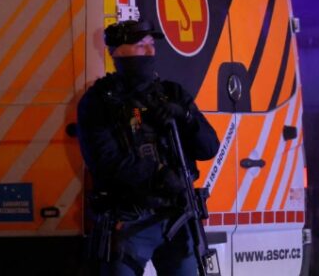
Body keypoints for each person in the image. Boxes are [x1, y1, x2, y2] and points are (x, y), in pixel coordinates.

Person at [77, 19, 220, 276]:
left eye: (151, 44)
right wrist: (159, 174)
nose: (149, 51)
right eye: (140, 46)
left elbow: (208, 148)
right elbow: (104, 161)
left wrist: (186, 117)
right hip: (129, 219)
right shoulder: (99, 101)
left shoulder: (172, 94)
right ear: (117, 52)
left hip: (177, 216)